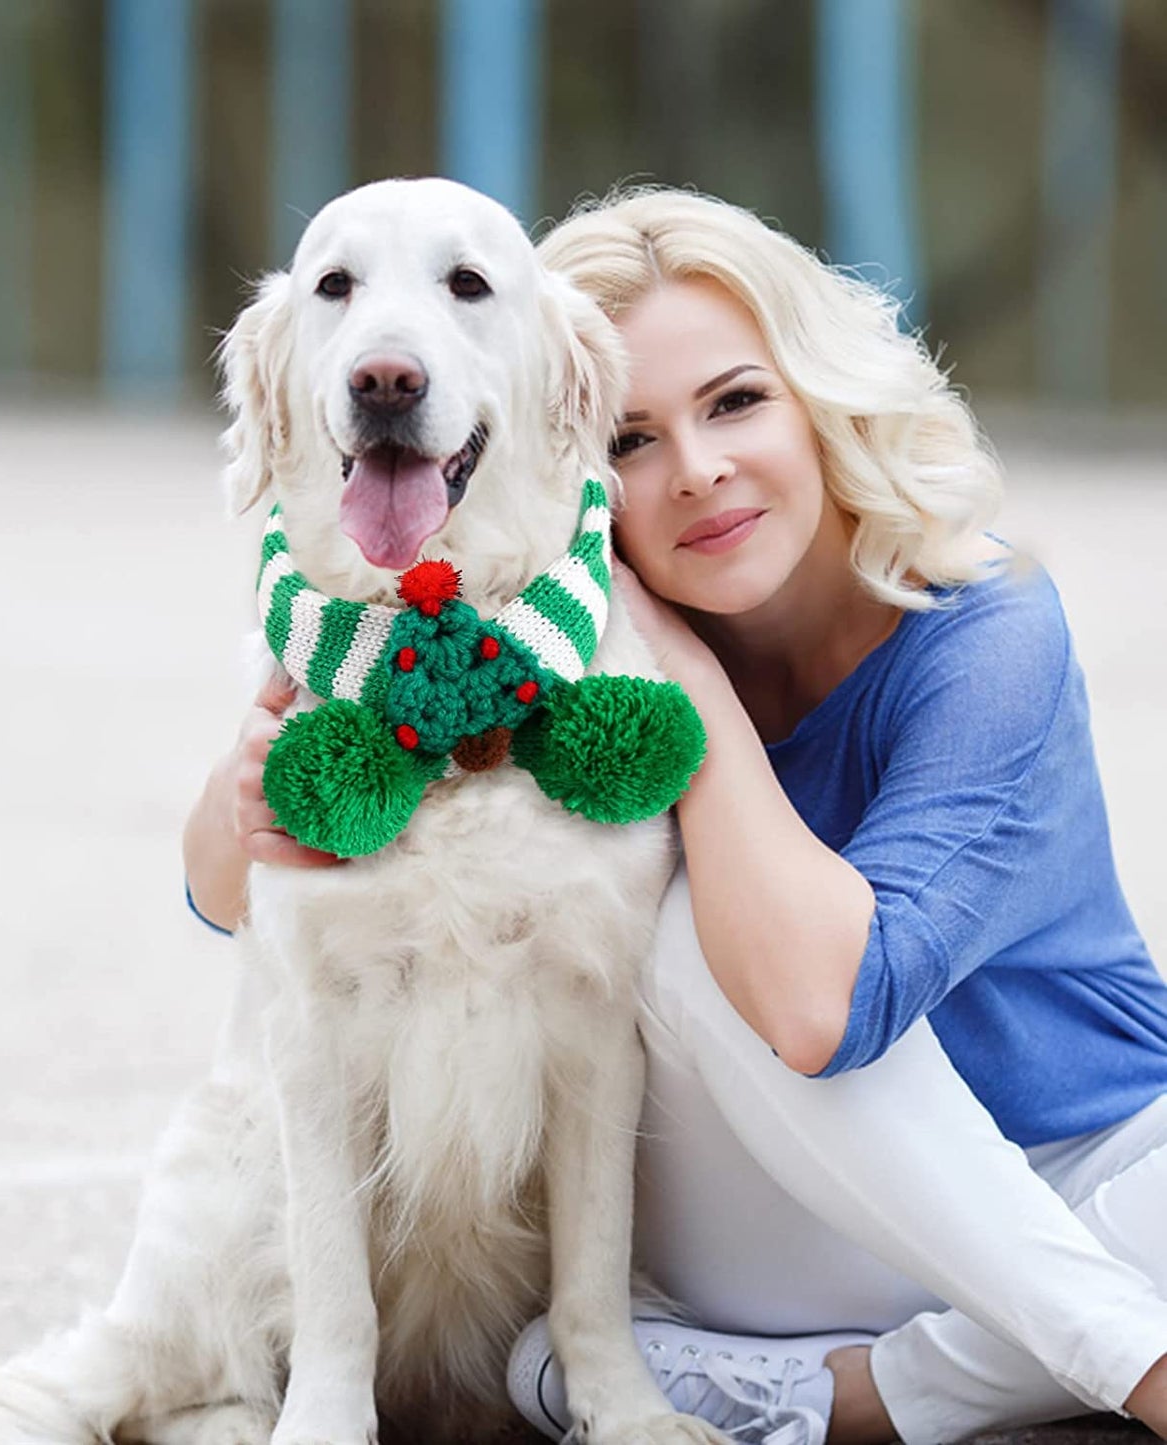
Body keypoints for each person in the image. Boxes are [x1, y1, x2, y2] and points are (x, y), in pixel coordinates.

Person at [183, 188, 1167, 1445]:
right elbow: (238, 895)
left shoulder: (985, 628)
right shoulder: (544, 644)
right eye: (634, 440)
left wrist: (676, 674)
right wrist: (233, 796)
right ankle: (1130, 1361)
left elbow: (852, 992)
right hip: (803, 1228)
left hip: (1085, 1166)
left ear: (819, 396)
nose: (696, 472)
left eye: (737, 402)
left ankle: (860, 1393)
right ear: (563, 435)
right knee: (696, 925)